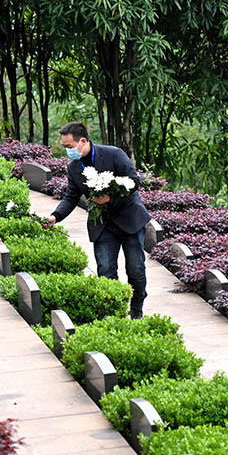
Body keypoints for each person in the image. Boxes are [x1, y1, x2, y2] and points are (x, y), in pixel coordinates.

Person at [45, 122, 150, 319]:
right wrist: (55, 216)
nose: (68, 152)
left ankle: (137, 310)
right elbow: (71, 197)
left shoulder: (114, 154)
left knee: (136, 269)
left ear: (82, 141)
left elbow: (133, 181)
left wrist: (110, 197)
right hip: (102, 225)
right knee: (105, 271)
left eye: (69, 147)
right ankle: (114, 314)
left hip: (129, 220)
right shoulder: (74, 168)